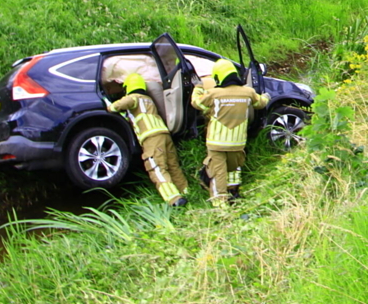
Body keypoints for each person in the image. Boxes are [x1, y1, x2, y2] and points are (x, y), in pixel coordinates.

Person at [191, 59, 269, 207]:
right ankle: (234, 193)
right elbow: (260, 103)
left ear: (218, 77)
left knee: (218, 173)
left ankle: (220, 205)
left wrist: (198, 87)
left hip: (217, 142)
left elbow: (197, 103)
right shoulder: (248, 92)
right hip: (237, 143)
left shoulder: (213, 93)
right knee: (233, 168)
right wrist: (266, 96)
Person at [107, 73, 189, 207]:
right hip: (164, 134)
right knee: (173, 165)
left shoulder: (133, 98)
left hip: (151, 137)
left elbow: (119, 105)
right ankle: (185, 191)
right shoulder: (148, 99)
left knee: (157, 168)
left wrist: (110, 107)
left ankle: (174, 199)